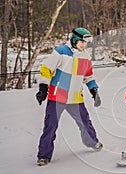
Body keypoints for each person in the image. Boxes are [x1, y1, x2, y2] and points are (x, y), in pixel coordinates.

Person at [35, 27, 103, 166]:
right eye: (82, 42)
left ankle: (93, 142)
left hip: (75, 98)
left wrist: (94, 90)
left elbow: (88, 76)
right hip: (57, 96)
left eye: (86, 43)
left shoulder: (86, 57)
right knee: (50, 126)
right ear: (75, 40)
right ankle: (43, 156)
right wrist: (43, 87)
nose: (84, 45)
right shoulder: (60, 52)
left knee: (85, 122)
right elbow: (46, 69)